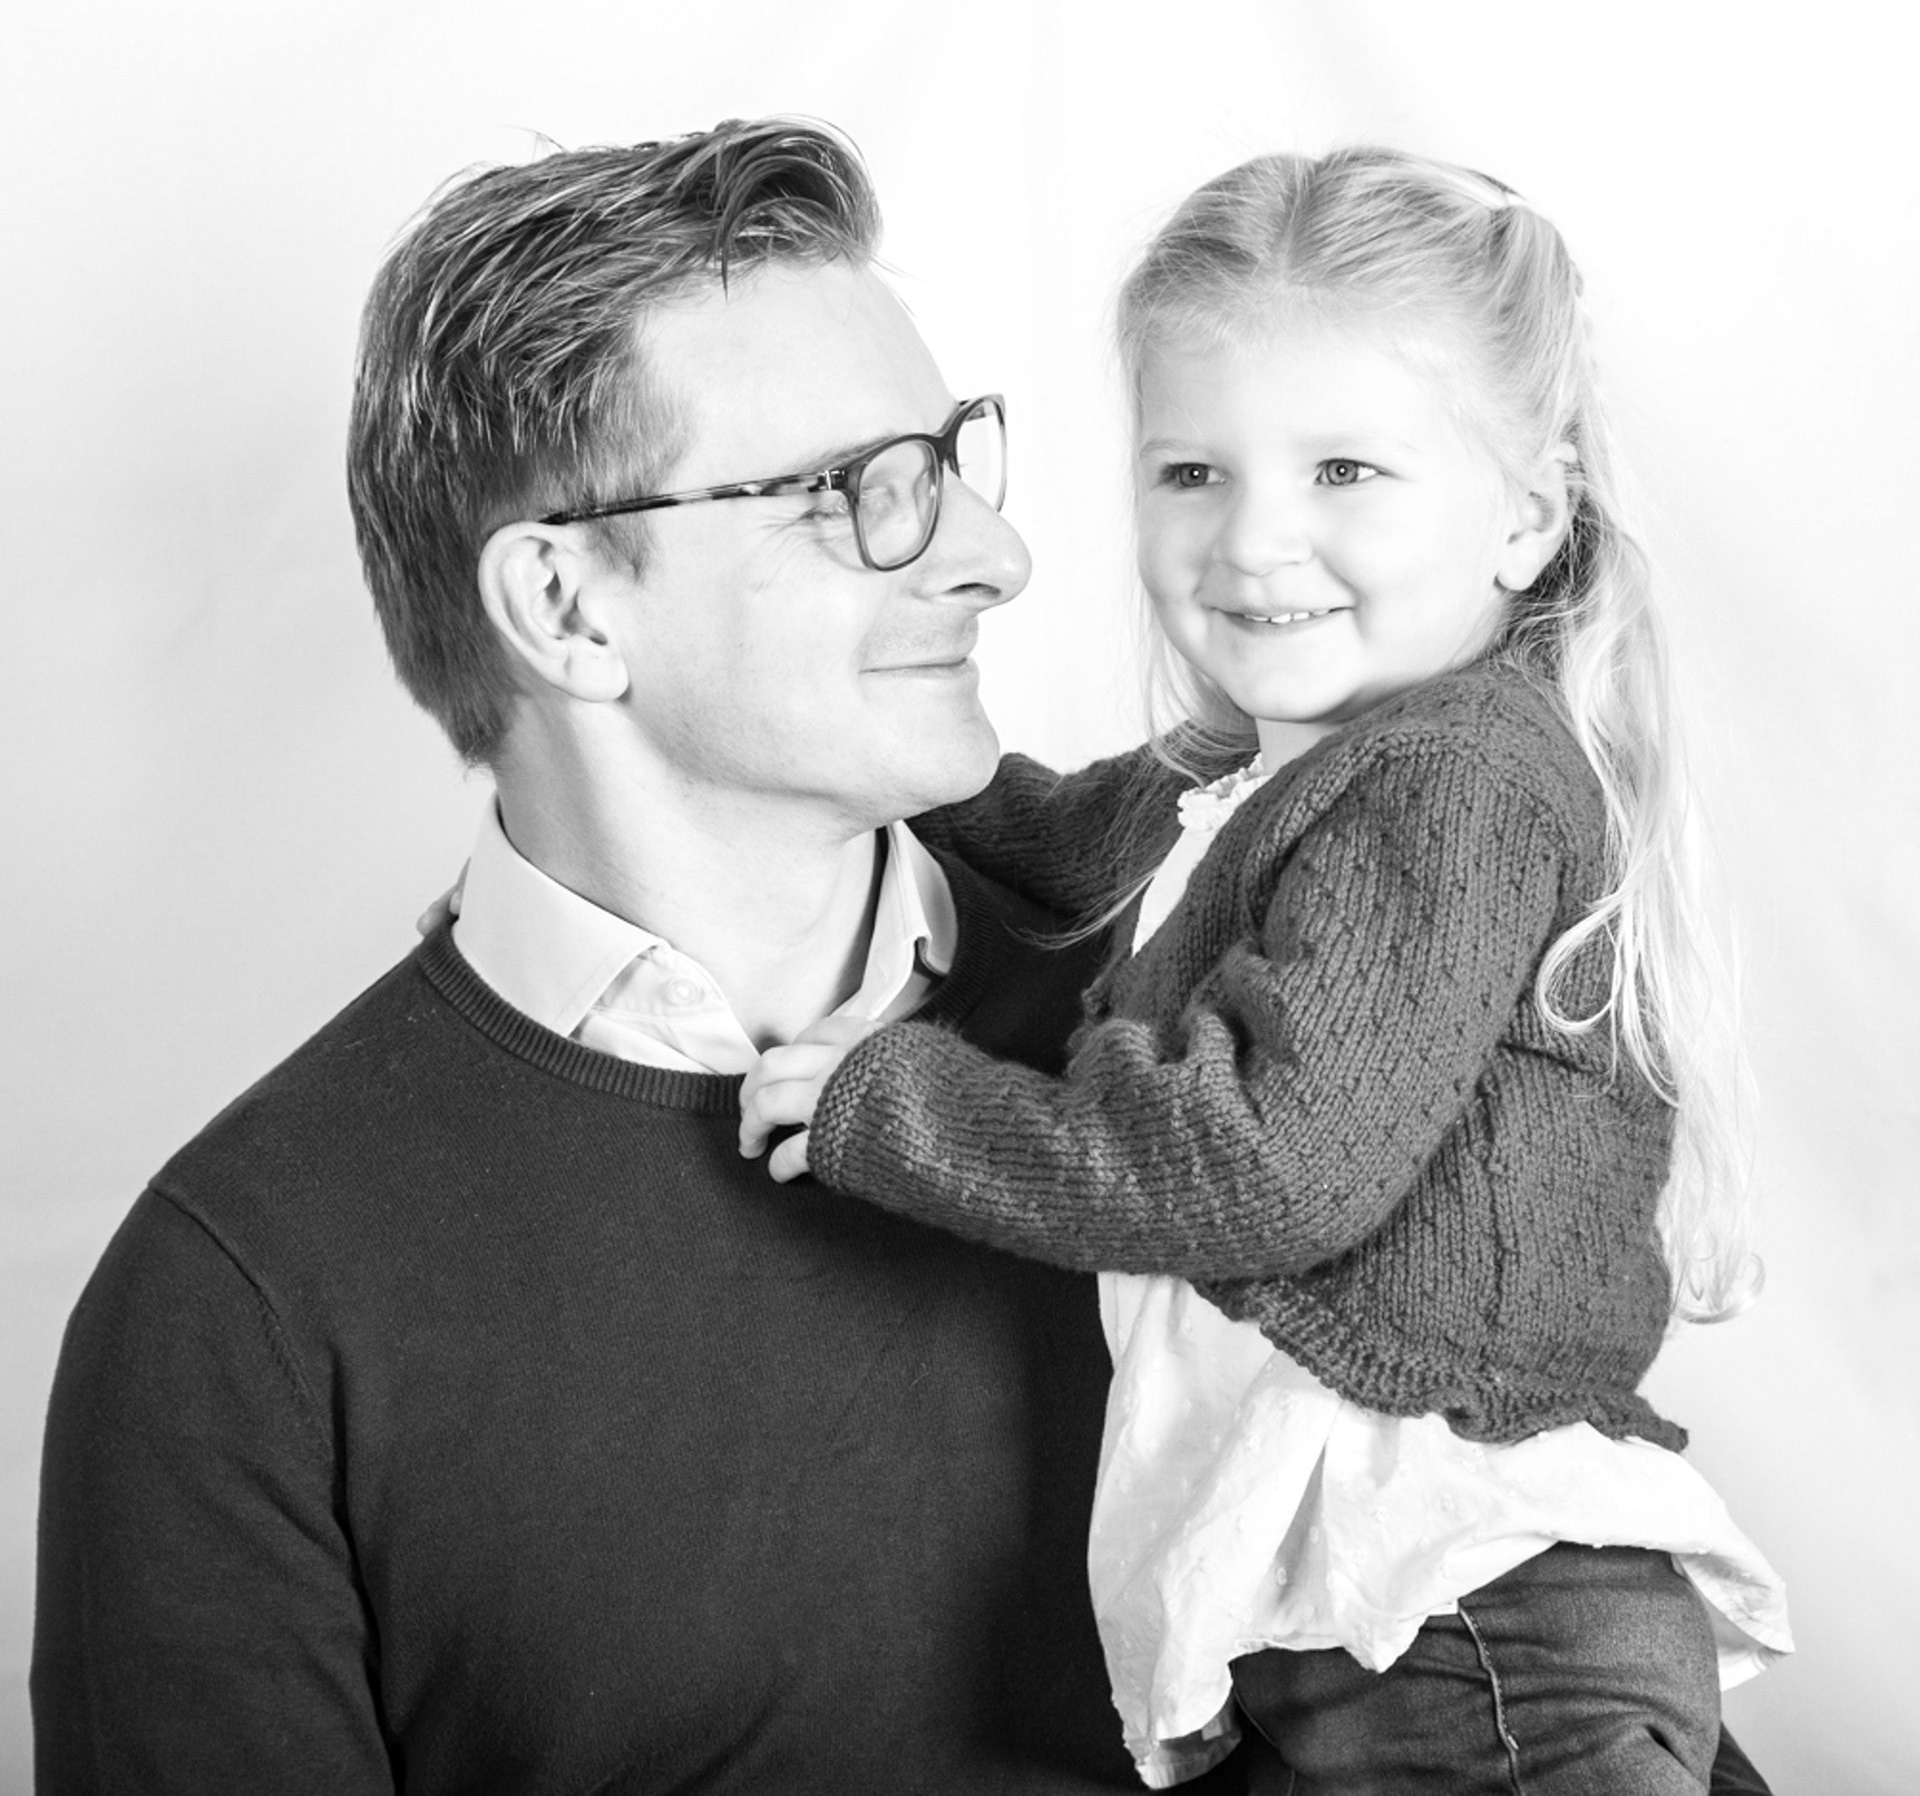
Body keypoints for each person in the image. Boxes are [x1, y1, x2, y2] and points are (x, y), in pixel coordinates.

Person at [31, 119, 1217, 1793]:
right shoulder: (238, 1307)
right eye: (859, 492)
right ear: (570, 610)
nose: (992, 557)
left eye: (954, 462)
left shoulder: (1211, 1054)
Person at [739, 147, 1794, 1793]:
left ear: (1527, 514)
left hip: (1470, 1609)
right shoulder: (1278, 758)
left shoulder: (1453, 778)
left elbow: (1269, 1165)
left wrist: (903, 1111)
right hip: (1385, 1613)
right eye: (1192, 473)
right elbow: (1086, 848)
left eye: (1344, 470)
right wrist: (883, 751)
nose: (1253, 541)